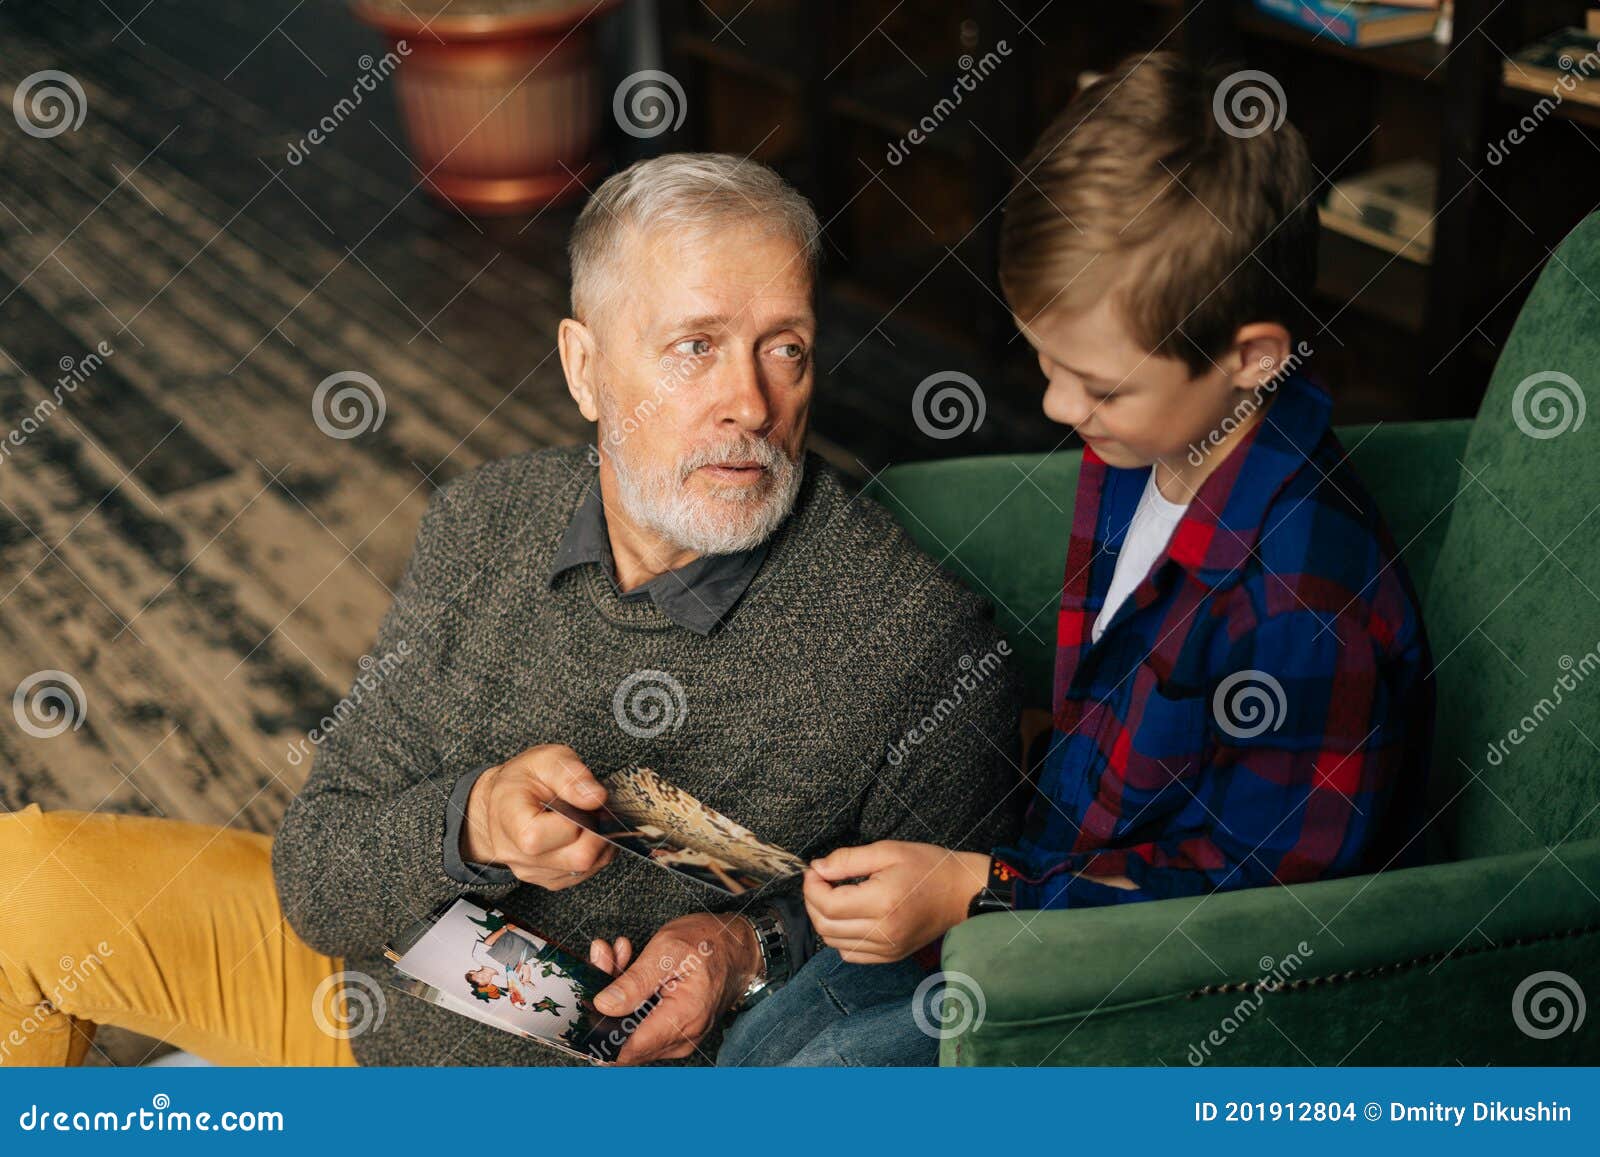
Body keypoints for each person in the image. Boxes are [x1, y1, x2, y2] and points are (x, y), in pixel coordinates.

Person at [0, 153, 1021, 1067]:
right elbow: (317, 872)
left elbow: (938, 978)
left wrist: (743, 949)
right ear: (585, 367)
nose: (750, 404)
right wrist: (471, 821)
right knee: (22, 886)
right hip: (354, 1008)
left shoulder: (918, 644)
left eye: (784, 348)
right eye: (693, 347)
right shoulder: (485, 521)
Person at [719, 51, 1434, 1067]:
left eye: (1094, 385)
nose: (1058, 408)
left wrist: (978, 888)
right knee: (757, 1042)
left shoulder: (1308, 599)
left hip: (1159, 984)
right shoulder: (1145, 447)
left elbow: (1255, 920)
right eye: (1045, 363)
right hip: (1044, 878)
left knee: (818, 1078)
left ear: (1251, 358)